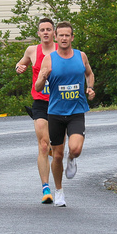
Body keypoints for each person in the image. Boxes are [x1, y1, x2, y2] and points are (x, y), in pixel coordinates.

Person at [35, 21, 95, 207]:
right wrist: (44, 76)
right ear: (55, 37)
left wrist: (90, 88)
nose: (63, 38)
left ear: (72, 37)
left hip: (76, 110)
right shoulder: (49, 59)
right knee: (57, 155)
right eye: (60, 35)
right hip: (55, 113)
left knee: (75, 149)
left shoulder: (81, 56)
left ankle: (72, 159)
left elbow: (89, 74)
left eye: (67, 35)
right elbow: (37, 87)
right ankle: (59, 191)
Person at [15, 18, 58, 204]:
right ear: (39, 33)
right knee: (42, 144)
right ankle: (46, 188)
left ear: (54, 32)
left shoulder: (61, 50)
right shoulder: (32, 50)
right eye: (43, 30)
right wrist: (19, 68)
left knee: (57, 148)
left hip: (60, 102)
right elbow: (20, 64)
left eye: (49, 29)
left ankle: (54, 150)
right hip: (40, 102)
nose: (46, 32)